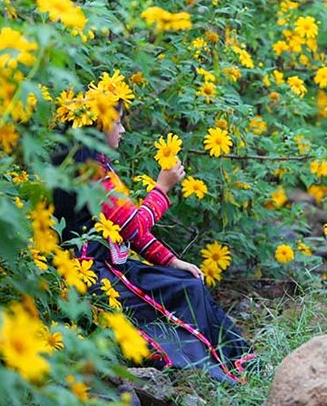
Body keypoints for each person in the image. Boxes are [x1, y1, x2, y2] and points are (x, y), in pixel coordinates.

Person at [52, 114, 254, 383]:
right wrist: (162, 188)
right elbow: (134, 227)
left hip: (111, 266)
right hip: (96, 276)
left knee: (188, 280)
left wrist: (172, 261)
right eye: (118, 122)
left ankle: (238, 362)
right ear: (97, 126)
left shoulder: (94, 166)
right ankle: (209, 368)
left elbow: (126, 232)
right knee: (187, 290)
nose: (123, 130)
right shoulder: (91, 174)